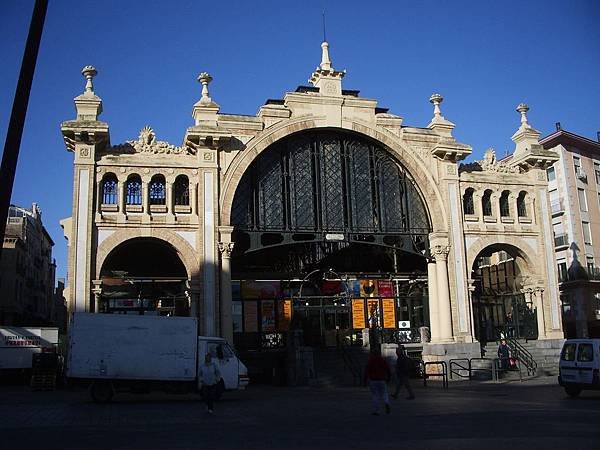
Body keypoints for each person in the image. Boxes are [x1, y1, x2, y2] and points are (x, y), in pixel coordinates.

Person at [364, 347, 391, 415]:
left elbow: (367, 370)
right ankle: (386, 402)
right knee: (384, 393)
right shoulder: (382, 360)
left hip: (373, 379)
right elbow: (388, 369)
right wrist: (388, 378)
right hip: (382, 379)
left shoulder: (371, 360)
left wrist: (365, 379)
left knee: (375, 395)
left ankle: (376, 410)